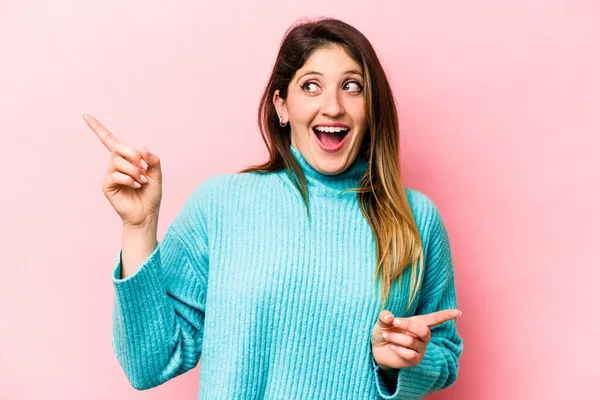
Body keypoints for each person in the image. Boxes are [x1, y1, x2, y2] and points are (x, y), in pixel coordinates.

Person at [84, 17, 463, 399]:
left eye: (352, 86)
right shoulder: (221, 205)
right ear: (282, 106)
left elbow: (445, 355)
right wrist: (138, 227)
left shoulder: (415, 218)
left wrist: (401, 360)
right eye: (311, 86)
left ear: (372, 107)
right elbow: (147, 363)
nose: (333, 106)